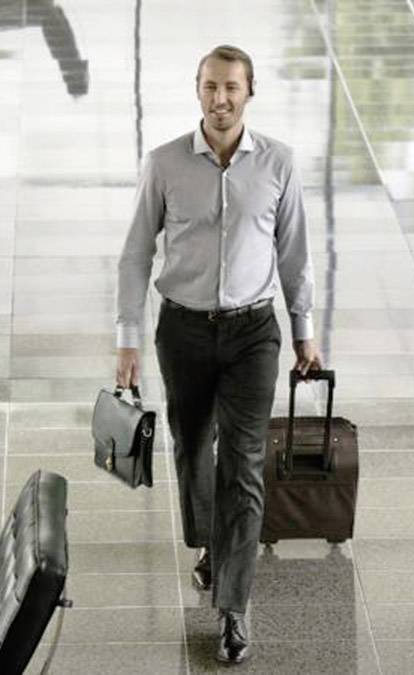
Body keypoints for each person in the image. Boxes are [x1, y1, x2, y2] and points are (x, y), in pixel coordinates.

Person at [114, 44, 321, 665]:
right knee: (190, 443)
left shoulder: (278, 164)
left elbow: (294, 253)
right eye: (210, 87)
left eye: (231, 88)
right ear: (197, 90)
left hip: (254, 331)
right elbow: (134, 255)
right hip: (183, 331)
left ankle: (233, 607)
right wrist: (128, 338)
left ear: (249, 92)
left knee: (244, 461)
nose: (220, 99)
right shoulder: (165, 164)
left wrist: (305, 330)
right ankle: (209, 543)